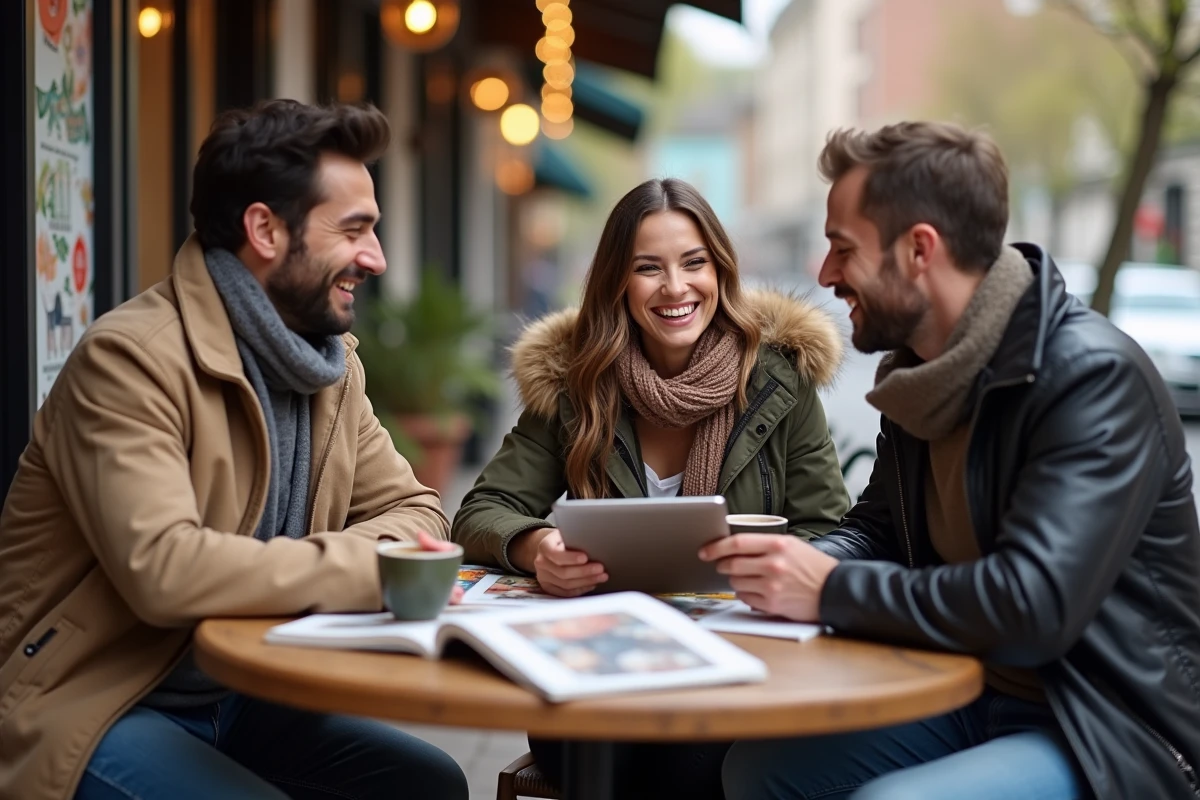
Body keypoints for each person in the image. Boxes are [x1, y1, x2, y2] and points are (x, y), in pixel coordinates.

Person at [707, 121, 1200, 800]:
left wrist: (826, 589)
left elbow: (1032, 607)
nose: (824, 275)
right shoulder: (924, 376)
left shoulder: (1089, 378)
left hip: (1102, 727)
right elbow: (878, 529)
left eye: (842, 248)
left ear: (918, 251)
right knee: (758, 771)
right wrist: (788, 567)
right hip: (969, 689)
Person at [0, 100, 469, 800]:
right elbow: (167, 570)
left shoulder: (331, 366)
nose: (376, 258)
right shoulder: (130, 360)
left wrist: (381, 551)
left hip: (240, 692)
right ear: (265, 230)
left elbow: (417, 508)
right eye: (355, 230)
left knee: (428, 784)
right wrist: (375, 563)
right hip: (98, 698)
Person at [453, 177, 851, 798]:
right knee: (597, 749)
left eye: (694, 263)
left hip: (736, 661)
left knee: (693, 755)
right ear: (618, 282)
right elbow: (483, 510)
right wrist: (538, 550)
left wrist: (768, 565)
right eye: (648, 268)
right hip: (598, 665)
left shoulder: (780, 379)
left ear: (720, 270)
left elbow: (828, 529)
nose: (675, 288)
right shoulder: (573, 382)